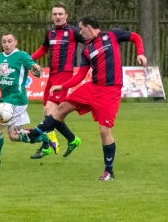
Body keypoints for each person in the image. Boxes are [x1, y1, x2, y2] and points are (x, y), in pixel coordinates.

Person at [23, 16, 147, 181]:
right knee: (62, 109)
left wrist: (141, 54)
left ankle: (108, 171)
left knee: (104, 131)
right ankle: (34, 133)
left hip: (110, 91)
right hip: (91, 87)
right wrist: (64, 86)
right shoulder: (87, 50)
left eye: (81, 29)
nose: (80, 32)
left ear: (88, 27)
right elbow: (81, 74)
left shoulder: (111, 35)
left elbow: (135, 37)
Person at [0, 33, 47, 168]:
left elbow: (34, 69)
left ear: (15, 42)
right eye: (4, 42)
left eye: (9, 41)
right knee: (14, 136)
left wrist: (36, 69)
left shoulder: (22, 56)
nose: (7, 44)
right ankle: (44, 138)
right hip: (6, 100)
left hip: (17, 100)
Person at [28, 3, 85, 159]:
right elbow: (44, 49)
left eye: (60, 14)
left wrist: (92, 61)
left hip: (64, 75)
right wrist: (28, 59)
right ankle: (71, 139)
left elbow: (88, 44)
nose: (58, 17)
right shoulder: (50, 33)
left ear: (66, 15)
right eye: (55, 14)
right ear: (52, 16)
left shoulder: (74, 32)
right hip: (52, 75)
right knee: (49, 113)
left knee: (50, 112)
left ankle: (48, 145)